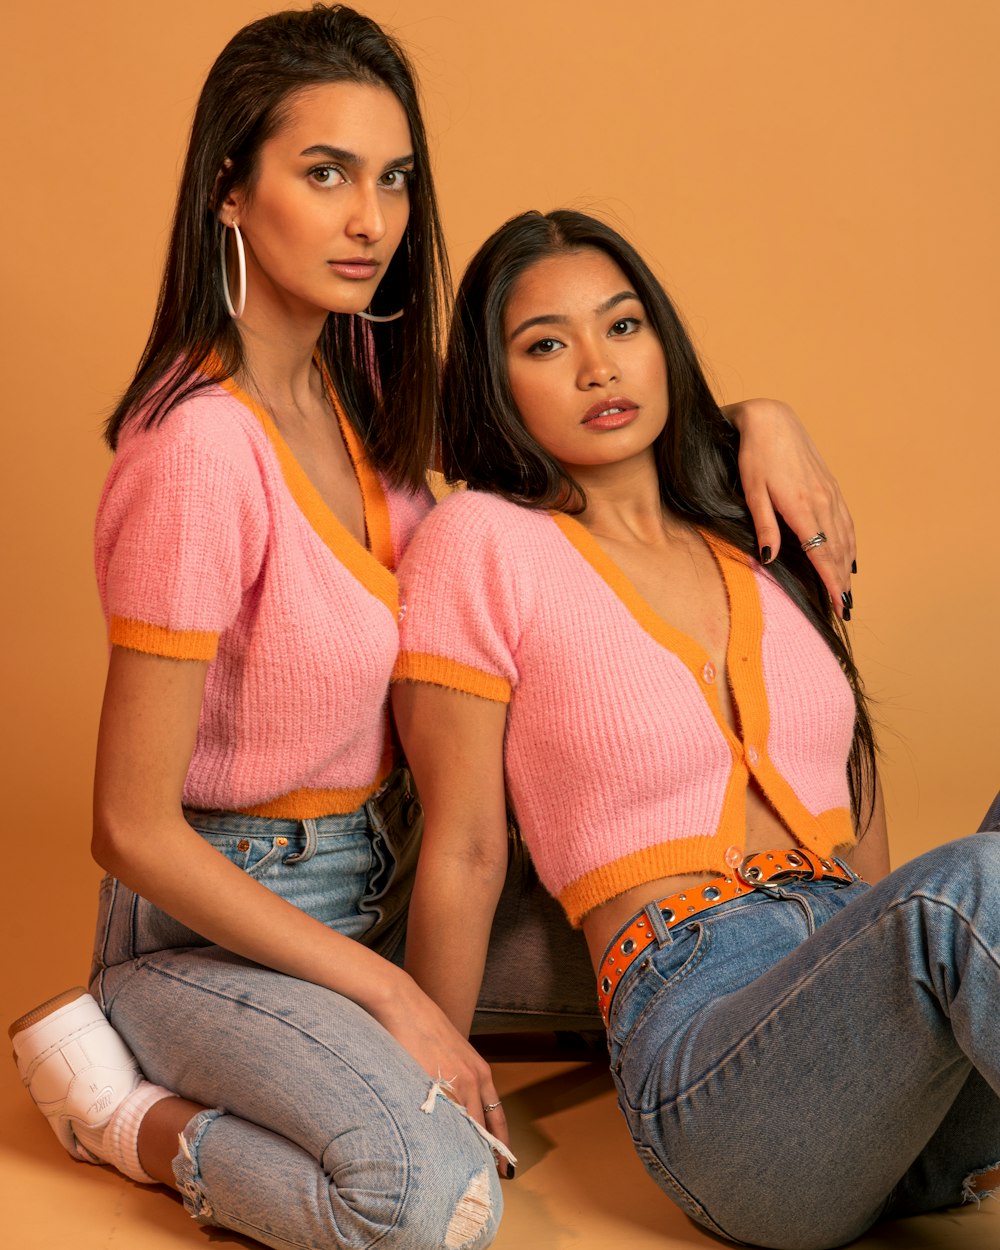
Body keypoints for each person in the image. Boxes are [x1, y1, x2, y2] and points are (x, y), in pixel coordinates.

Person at [8, 7, 862, 1247]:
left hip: (402, 877)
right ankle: (125, 1108)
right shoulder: (195, 446)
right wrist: (395, 995)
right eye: (325, 174)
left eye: (394, 178)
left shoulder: (361, 395)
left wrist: (747, 420)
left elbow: (555, 451)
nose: (372, 220)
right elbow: (128, 825)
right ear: (229, 193)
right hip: (224, 924)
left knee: (756, 953)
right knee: (422, 1198)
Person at [391, 208, 1000, 1249]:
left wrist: (765, 412)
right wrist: (428, 1096)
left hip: (883, 1062)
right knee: (968, 891)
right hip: (714, 1063)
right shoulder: (482, 543)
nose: (595, 366)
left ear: (662, 344)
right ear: (499, 386)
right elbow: (464, 845)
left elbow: (861, 807)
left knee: (954, 892)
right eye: (546, 344)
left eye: (621, 327)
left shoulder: (754, 530)